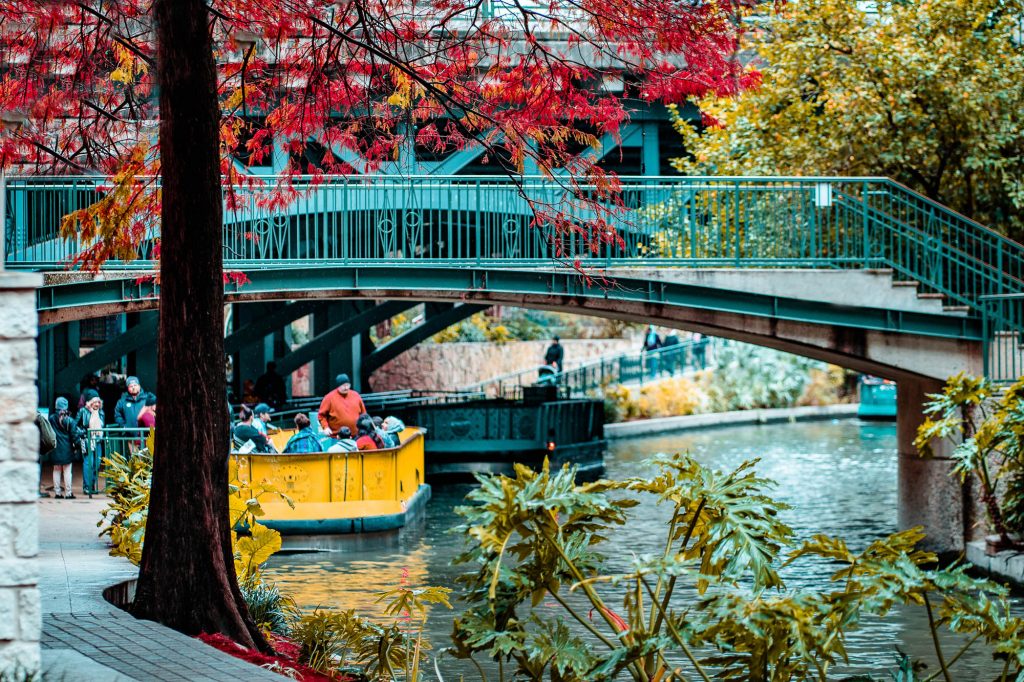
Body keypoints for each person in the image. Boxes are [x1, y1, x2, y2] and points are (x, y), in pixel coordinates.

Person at [49, 397, 83, 499]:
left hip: (55, 448)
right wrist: (78, 446)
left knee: (56, 470)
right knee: (67, 471)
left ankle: (57, 493)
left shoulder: (51, 418)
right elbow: (74, 436)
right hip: (67, 448)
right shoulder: (69, 420)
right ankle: (68, 493)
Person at [75, 390, 105, 496]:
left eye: (98, 402)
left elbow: (102, 425)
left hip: (98, 440)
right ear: (89, 402)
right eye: (94, 402)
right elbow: (75, 425)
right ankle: (87, 487)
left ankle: (92, 485)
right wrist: (84, 432)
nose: (97, 404)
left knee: (97, 463)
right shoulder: (83, 411)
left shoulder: (101, 412)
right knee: (89, 463)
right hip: (87, 440)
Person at [318, 374, 366, 438]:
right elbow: (321, 416)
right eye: (343, 386)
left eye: (347, 385)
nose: (346, 388)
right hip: (336, 437)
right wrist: (325, 427)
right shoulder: (329, 398)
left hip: (356, 436)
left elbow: (364, 414)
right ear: (338, 386)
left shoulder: (356, 395)